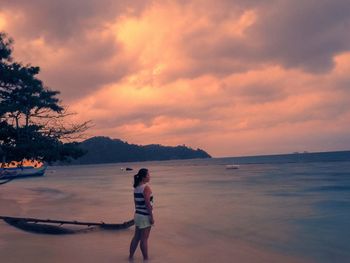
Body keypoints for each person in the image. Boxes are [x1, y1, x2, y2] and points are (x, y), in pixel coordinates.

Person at [129, 168, 154, 260]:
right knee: (144, 239)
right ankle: (146, 259)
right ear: (143, 177)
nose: (149, 176)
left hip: (138, 214)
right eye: (148, 175)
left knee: (136, 237)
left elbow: (135, 203)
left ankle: (130, 257)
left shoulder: (136, 188)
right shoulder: (146, 188)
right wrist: (151, 217)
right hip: (144, 216)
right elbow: (148, 204)